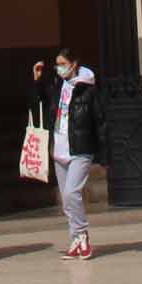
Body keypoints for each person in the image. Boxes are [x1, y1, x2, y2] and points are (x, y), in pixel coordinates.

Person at [33, 44, 105, 259]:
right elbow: (40, 103)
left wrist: (104, 152)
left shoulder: (88, 89)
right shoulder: (57, 86)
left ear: (74, 64)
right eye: (57, 65)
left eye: (63, 64)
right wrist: (37, 82)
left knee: (72, 193)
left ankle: (82, 234)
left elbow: (100, 121)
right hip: (60, 148)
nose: (59, 69)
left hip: (81, 148)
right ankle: (75, 239)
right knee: (66, 199)